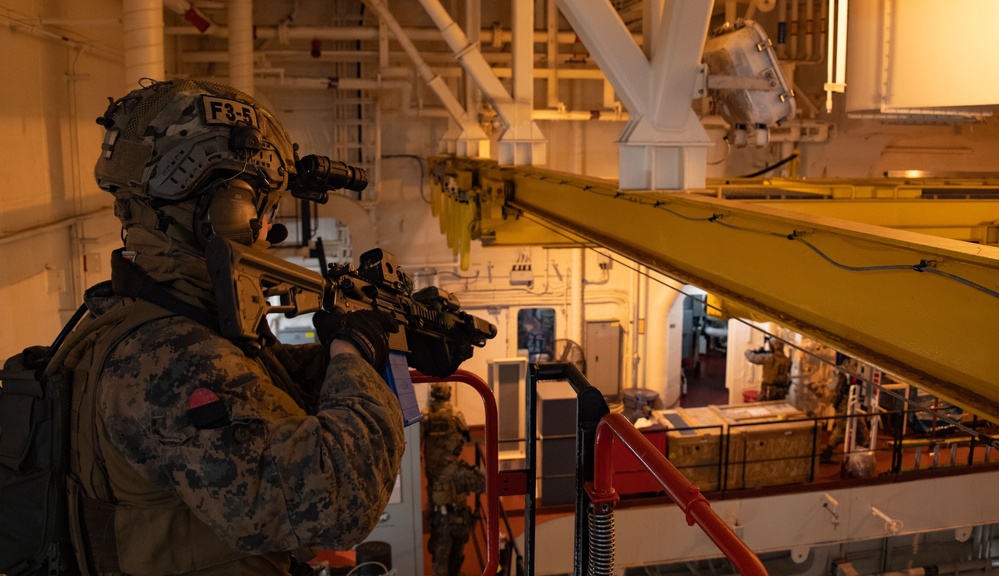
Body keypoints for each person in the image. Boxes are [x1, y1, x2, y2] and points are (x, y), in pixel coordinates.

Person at [72, 79, 406, 575]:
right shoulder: (172, 358)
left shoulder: (155, 316)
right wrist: (351, 352)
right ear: (226, 211)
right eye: (264, 207)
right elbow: (337, 496)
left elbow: (260, 391)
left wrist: (374, 343)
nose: (267, 230)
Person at [422, 382, 485, 576]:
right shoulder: (456, 414)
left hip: (433, 465)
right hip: (450, 474)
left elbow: (419, 439)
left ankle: (436, 508)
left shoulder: (425, 414)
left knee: (435, 487)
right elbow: (466, 434)